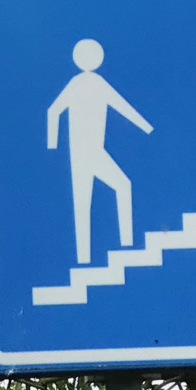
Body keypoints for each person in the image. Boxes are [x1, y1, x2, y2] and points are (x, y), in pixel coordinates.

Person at [46, 38, 153, 261]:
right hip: (87, 153)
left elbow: (121, 107)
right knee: (116, 188)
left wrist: (146, 127)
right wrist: (52, 146)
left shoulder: (87, 83)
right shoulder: (85, 84)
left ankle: (92, 256)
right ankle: (120, 246)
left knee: (88, 201)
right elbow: (54, 111)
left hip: (88, 153)